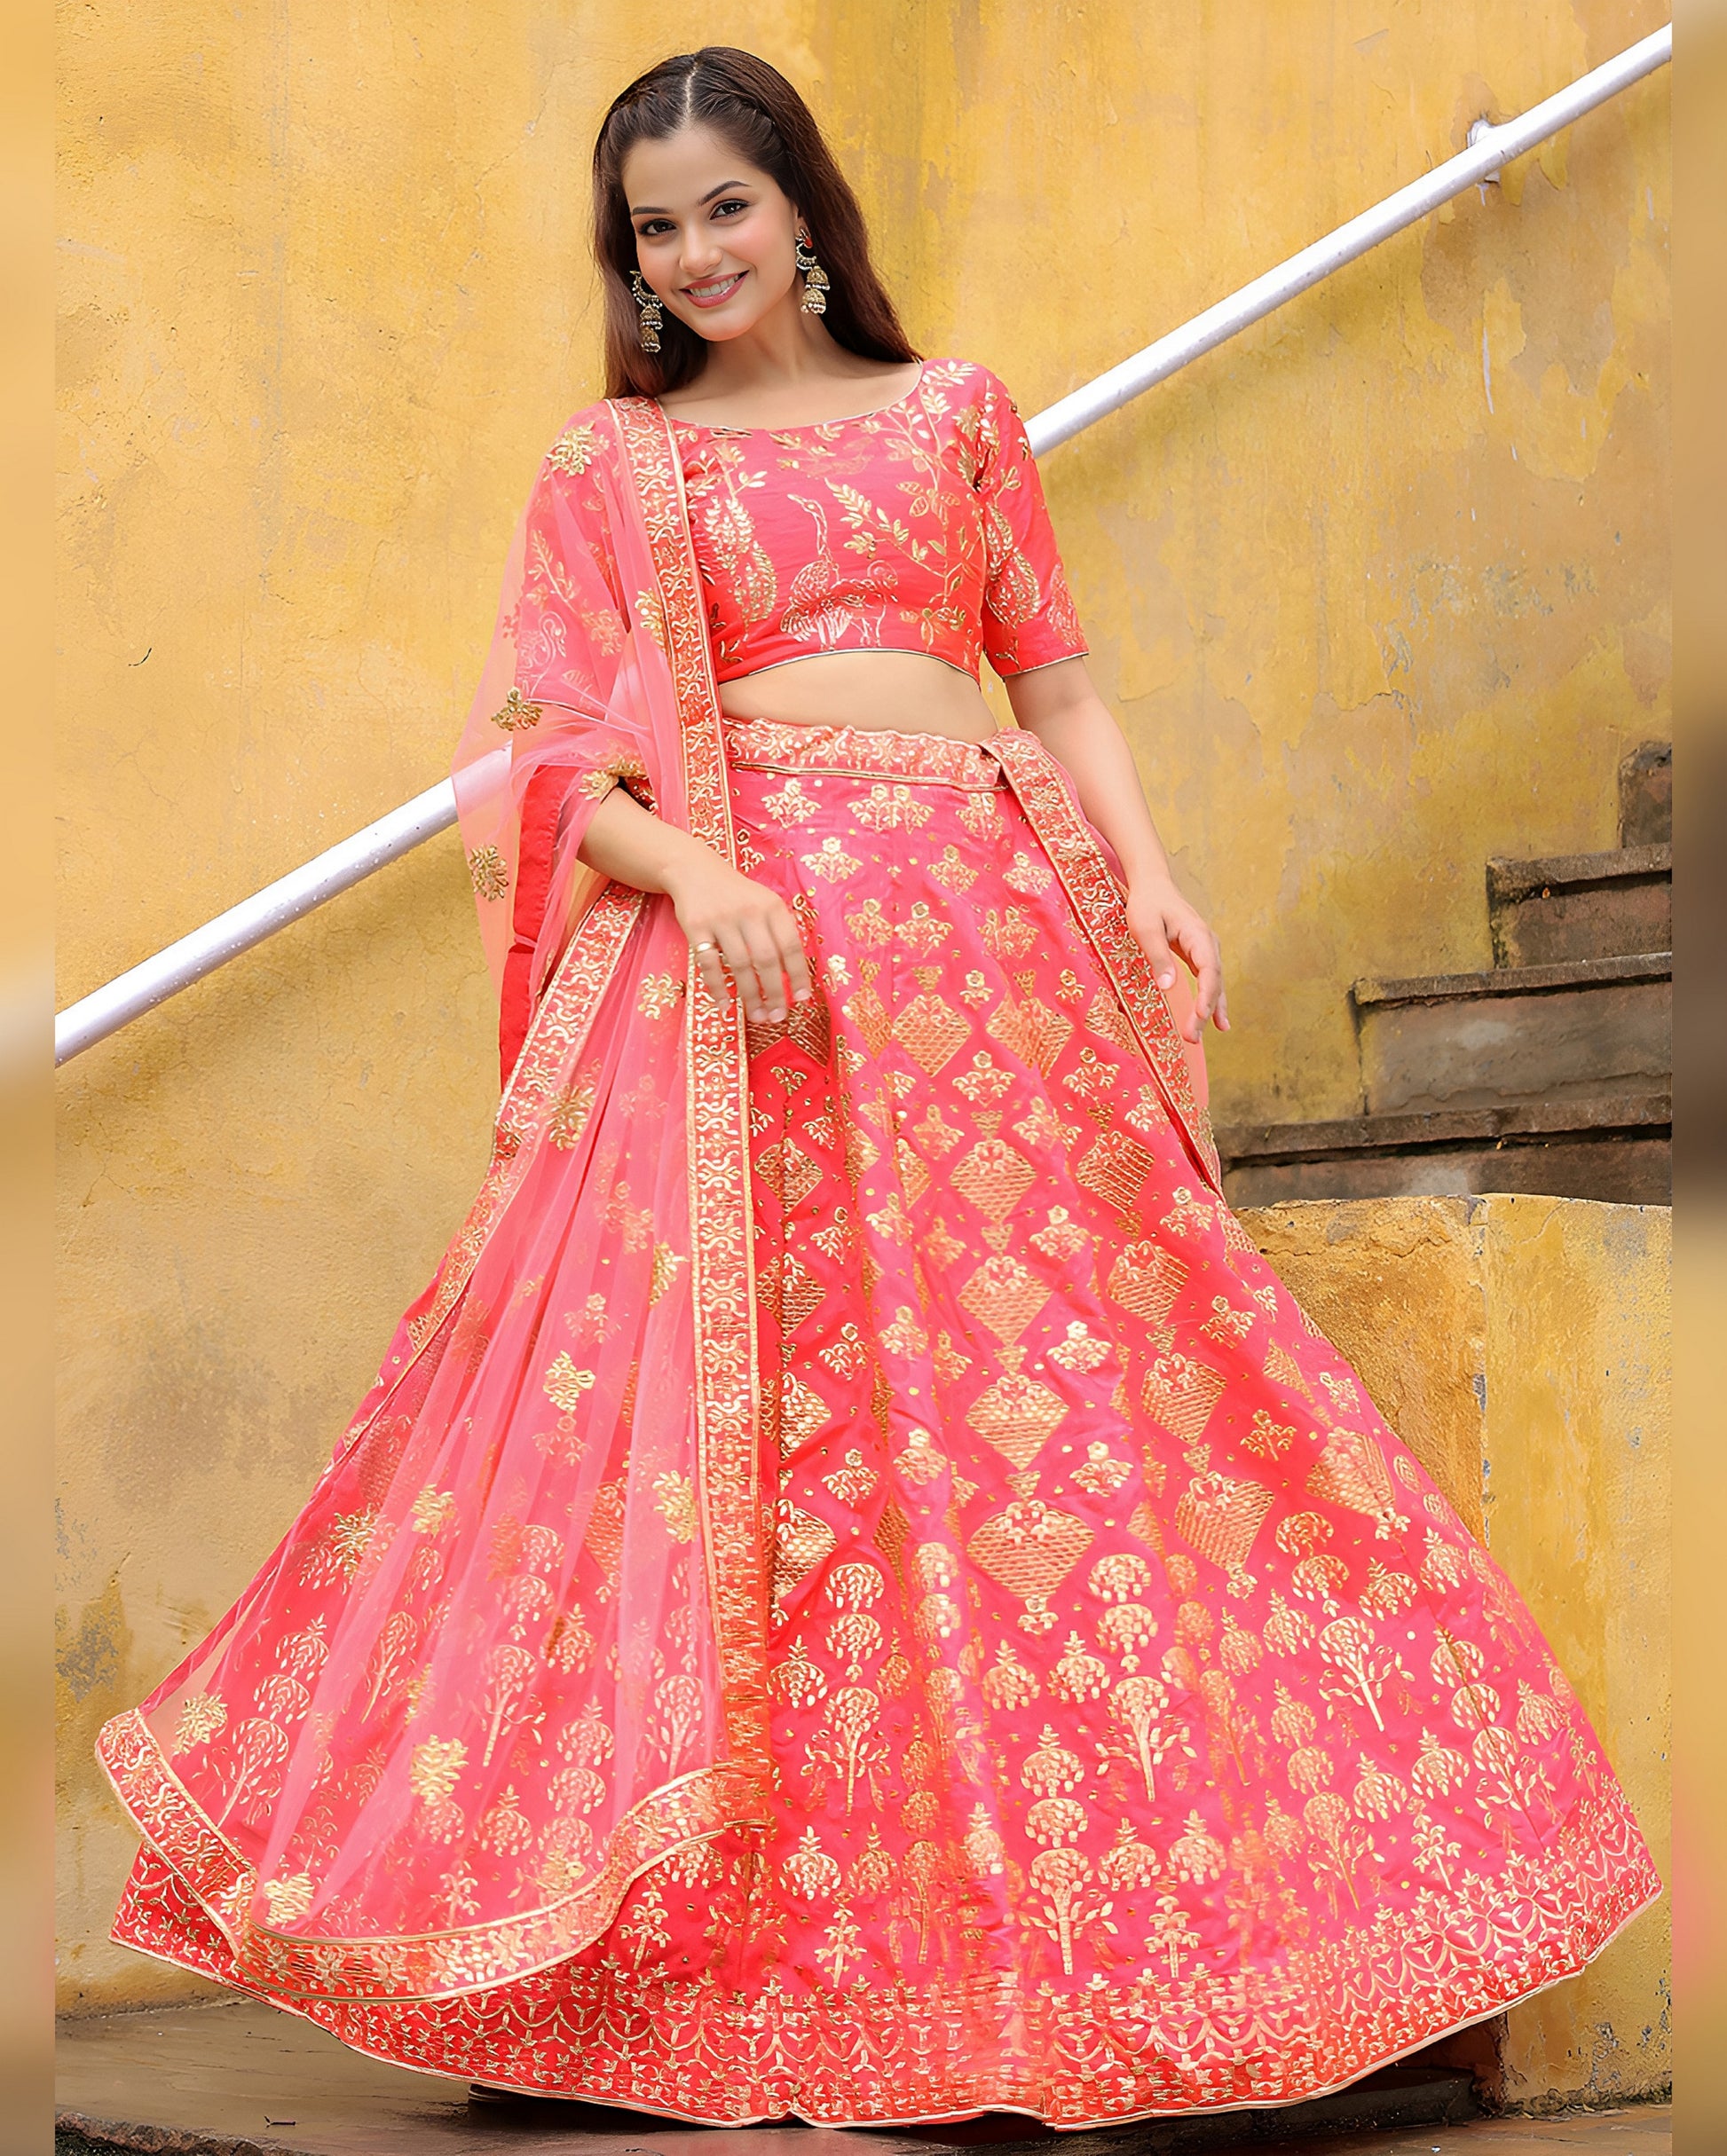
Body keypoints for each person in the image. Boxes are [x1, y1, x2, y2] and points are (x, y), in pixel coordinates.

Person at [99, 45, 1658, 2129]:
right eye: (656, 228)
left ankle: (1101, 1948)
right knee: (780, 1449)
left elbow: (1056, 683)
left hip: (992, 963)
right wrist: (699, 874)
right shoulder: (613, 464)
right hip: (739, 996)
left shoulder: (955, 415)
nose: (695, 253)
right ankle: (689, 1978)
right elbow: (536, 761)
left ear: (803, 209)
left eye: (725, 207)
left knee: (1065, 1415)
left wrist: (1151, 880)